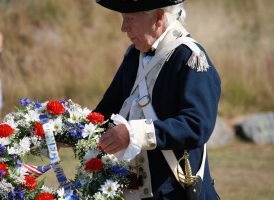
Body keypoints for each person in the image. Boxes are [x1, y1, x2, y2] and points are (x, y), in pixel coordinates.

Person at [94, 0, 221, 199]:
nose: (123, 27)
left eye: (130, 19)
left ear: (159, 17)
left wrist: (134, 133)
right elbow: (105, 112)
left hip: (176, 192)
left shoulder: (191, 57)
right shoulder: (133, 56)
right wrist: (62, 128)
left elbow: (197, 126)